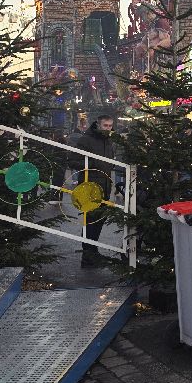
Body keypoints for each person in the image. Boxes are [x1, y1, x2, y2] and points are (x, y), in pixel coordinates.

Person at [72, 113, 118, 268]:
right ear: (98, 124)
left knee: (98, 221)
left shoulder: (108, 141)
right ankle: (88, 256)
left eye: (110, 126)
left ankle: (93, 251)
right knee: (90, 222)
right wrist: (92, 164)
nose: (108, 128)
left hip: (104, 187)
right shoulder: (86, 140)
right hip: (89, 187)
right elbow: (73, 160)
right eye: (105, 125)